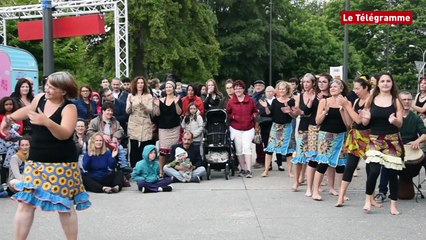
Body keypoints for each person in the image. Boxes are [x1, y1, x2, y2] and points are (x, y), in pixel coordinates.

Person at [0, 71, 91, 239]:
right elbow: (28, 110)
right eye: (47, 85)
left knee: (65, 206)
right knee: (25, 203)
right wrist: (8, 120)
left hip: (62, 165)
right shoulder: (40, 98)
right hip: (36, 161)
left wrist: (46, 122)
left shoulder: (69, 107)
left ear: (63, 91)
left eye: (52, 87)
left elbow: (64, 133)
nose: (47, 89)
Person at [360, 73, 404, 215]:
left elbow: (400, 123)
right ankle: (368, 200)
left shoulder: (396, 100)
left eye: (388, 81)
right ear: (378, 84)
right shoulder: (371, 99)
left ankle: (393, 205)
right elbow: (365, 122)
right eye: (382, 81)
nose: (385, 83)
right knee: (373, 171)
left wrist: (394, 121)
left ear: (392, 83)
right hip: (375, 139)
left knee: (392, 174)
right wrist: (366, 118)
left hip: (392, 140)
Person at [375, 91, 426, 201]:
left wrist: (417, 141)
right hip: (394, 147)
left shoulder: (416, 118)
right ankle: (382, 192)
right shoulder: (392, 116)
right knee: (386, 162)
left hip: (412, 148)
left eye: (409, 99)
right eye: (404, 100)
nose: (407, 102)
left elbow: (424, 134)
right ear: (398, 101)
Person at [311, 79, 351, 201]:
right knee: (323, 163)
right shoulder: (324, 101)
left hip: (341, 136)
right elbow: (317, 121)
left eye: (335, 87)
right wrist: (325, 112)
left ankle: (341, 191)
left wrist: (343, 109)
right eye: (331, 86)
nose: (332, 88)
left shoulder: (346, 102)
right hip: (326, 136)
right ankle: (315, 191)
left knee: (340, 165)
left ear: (341, 89)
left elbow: (348, 124)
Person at [336, 76, 372, 207]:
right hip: (355, 136)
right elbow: (349, 123)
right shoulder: (356, 101)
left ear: (365, 88)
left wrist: (347, 105)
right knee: (350, 166)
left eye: (357, 88)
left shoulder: (370, 101)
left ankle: (371, 198)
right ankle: (341, 197)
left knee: (370, 169)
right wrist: (344, 109)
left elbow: (360, 120)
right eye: (354, 88)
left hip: (368, 137)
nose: (355, 91)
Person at [259, 81, 296, 177]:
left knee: (288, 150)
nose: (281, 90)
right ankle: (266, 170)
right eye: (280, 89)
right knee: (269, 149)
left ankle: (290, 171)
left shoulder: (291, 101)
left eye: (283, 89)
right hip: (275, 127)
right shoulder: (275, 101)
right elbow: (269, 113)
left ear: (287, 89)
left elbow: (294, 116)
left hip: (287, 127)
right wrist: (266, 106)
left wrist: (289, 111)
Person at [226, 80, 258, 178]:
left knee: (247, 148)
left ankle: (249, 170)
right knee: (239, 150)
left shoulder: (250, 100)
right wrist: (233, 117)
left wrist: (251, 117)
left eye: (240, 88)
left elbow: (255, 111)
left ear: (244, 89)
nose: (237, 90)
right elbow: (227, 112)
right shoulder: (231, 101)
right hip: (235, 128)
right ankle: (243, 169)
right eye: (235, 88)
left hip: (248, 128)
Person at [87, 102, 131, 173]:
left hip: (112, 143)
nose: (110, 112)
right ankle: (108, 168)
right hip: (100, 143)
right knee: (107, 151)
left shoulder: (115, 121)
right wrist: (102, 135)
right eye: (108, 110)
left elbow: (121, 130)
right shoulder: (95, 121)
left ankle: (124, 166)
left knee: (121, 148)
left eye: (111, 111)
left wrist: (115, 136)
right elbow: (89, 132)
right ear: (103, 111)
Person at [153, 81, 182, 177]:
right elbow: (157, 114)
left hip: (174, 128)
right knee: (163, 151)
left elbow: (179, 113)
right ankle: (161, 171)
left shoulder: (177, 99)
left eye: (170, 87)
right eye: (167, 87)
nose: (168, 89)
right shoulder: (161, 100)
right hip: (163, 128)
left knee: (173, 150)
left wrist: (176, 103)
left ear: (173, 89)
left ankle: (172, 170)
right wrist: (157, 105)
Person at [126, 76, 154, 168]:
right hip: (134, 122)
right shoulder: (130, 95)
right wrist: (130, 103)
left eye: (142, 83)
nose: (140, 85)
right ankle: (134, 167)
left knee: (144, 146)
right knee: (133, 146)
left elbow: (150, 110)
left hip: (145, 122)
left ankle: (143, 166)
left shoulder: (149, 96)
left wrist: (142, 105)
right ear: (135, 84)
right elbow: (127, 111)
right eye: (138, 83)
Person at [0, 97, 23, 185]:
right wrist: (4, 135)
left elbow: (20, 129)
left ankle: (10, 181)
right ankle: (2, 182)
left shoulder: (17, 115)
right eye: (6, 104)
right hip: (2, 143)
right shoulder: (1, 116)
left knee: (11, 162)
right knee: (3, 162)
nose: (9, 106)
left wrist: (12, 135)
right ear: (3, 105)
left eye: (10, 104)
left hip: (13, 142)